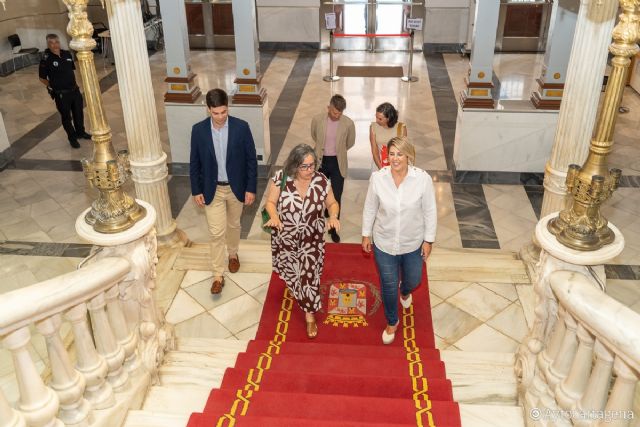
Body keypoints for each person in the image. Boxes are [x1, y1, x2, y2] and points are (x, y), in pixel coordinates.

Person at [361, 137, 436, 345]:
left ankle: (405, 291)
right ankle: (392, 321)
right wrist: (366, 234)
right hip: (384, 242)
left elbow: (430, 211)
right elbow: (370, 207)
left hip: (413, 243)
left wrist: (428, 240)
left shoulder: (422, 179)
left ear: (408, 156)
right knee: (388, 284)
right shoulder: (378, 178)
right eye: (391, 154)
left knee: (414, 280)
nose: (395, 159)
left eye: (399, 154)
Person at [264, 144, 340, 339]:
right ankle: (298, 290)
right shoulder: (281, 179)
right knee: (292, 274)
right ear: (294, 165)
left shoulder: (321, 181)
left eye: (312, 165)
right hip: (286, 238)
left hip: (311, 240)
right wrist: (275, 217)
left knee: (309, 278)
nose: (309, 170)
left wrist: (333, 216)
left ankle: (309, 315)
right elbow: (270, 203)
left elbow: (332, 203)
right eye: (304, 166)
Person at [190, 88, 257, 295]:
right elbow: (195, 162)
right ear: (208, 109)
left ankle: (233, 254)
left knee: (234, 225)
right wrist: (196, 190)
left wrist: (251, 188)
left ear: (228, 108)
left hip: (236, 188)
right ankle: (217, 275)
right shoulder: (199, 130)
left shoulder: (241, 127)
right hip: (213, 189)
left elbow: (251, 161)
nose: (220, 117)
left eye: (223, 112)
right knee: (216, 233)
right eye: (215, 113)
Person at [310, 94, 355, 243]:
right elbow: (314, 135)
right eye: (335, 112)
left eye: (340, 113)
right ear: (328, 108)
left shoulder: (348, 124)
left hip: (337, 163)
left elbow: (350, 142)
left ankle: (333, 228)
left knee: (336, 196)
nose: (337, 115)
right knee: (318, 194)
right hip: (320, 161)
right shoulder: (317, 119)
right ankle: (315, 225)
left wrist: (338, 150)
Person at [39, 34, 91, 149]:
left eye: (56, 42)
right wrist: (52, 86)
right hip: (61, 94)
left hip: (74, 91)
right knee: (66, 117)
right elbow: (42, 78)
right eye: (51, 43)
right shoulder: (46, 59)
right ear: (48, 44)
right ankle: (72, 138)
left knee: (78, 113)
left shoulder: (67, 54)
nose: (55, 45)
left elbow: (71, 70)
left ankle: (80, 132)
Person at [370, 102, 407, 169]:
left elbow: (403, 150)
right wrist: (381, 168)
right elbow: (374, 150)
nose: (377, 120)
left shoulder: (401, 127)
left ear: (388, 118)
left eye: (380, 119)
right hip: (379, 163)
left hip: (397, 164)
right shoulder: (373, 127)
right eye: (376, 117)